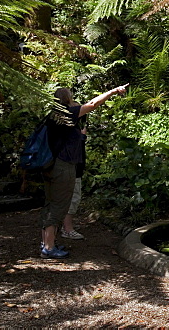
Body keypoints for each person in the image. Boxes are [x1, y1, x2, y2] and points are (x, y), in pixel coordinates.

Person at [40, 84, 126, 259]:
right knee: (59, 205)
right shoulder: (67, 114)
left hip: (50, 165)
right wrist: (113, 91)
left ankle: (47, 242)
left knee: (50, 203)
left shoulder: (51, 116)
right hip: (63, 166)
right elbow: (93, 104)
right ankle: (48, 248)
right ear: (67, 100)